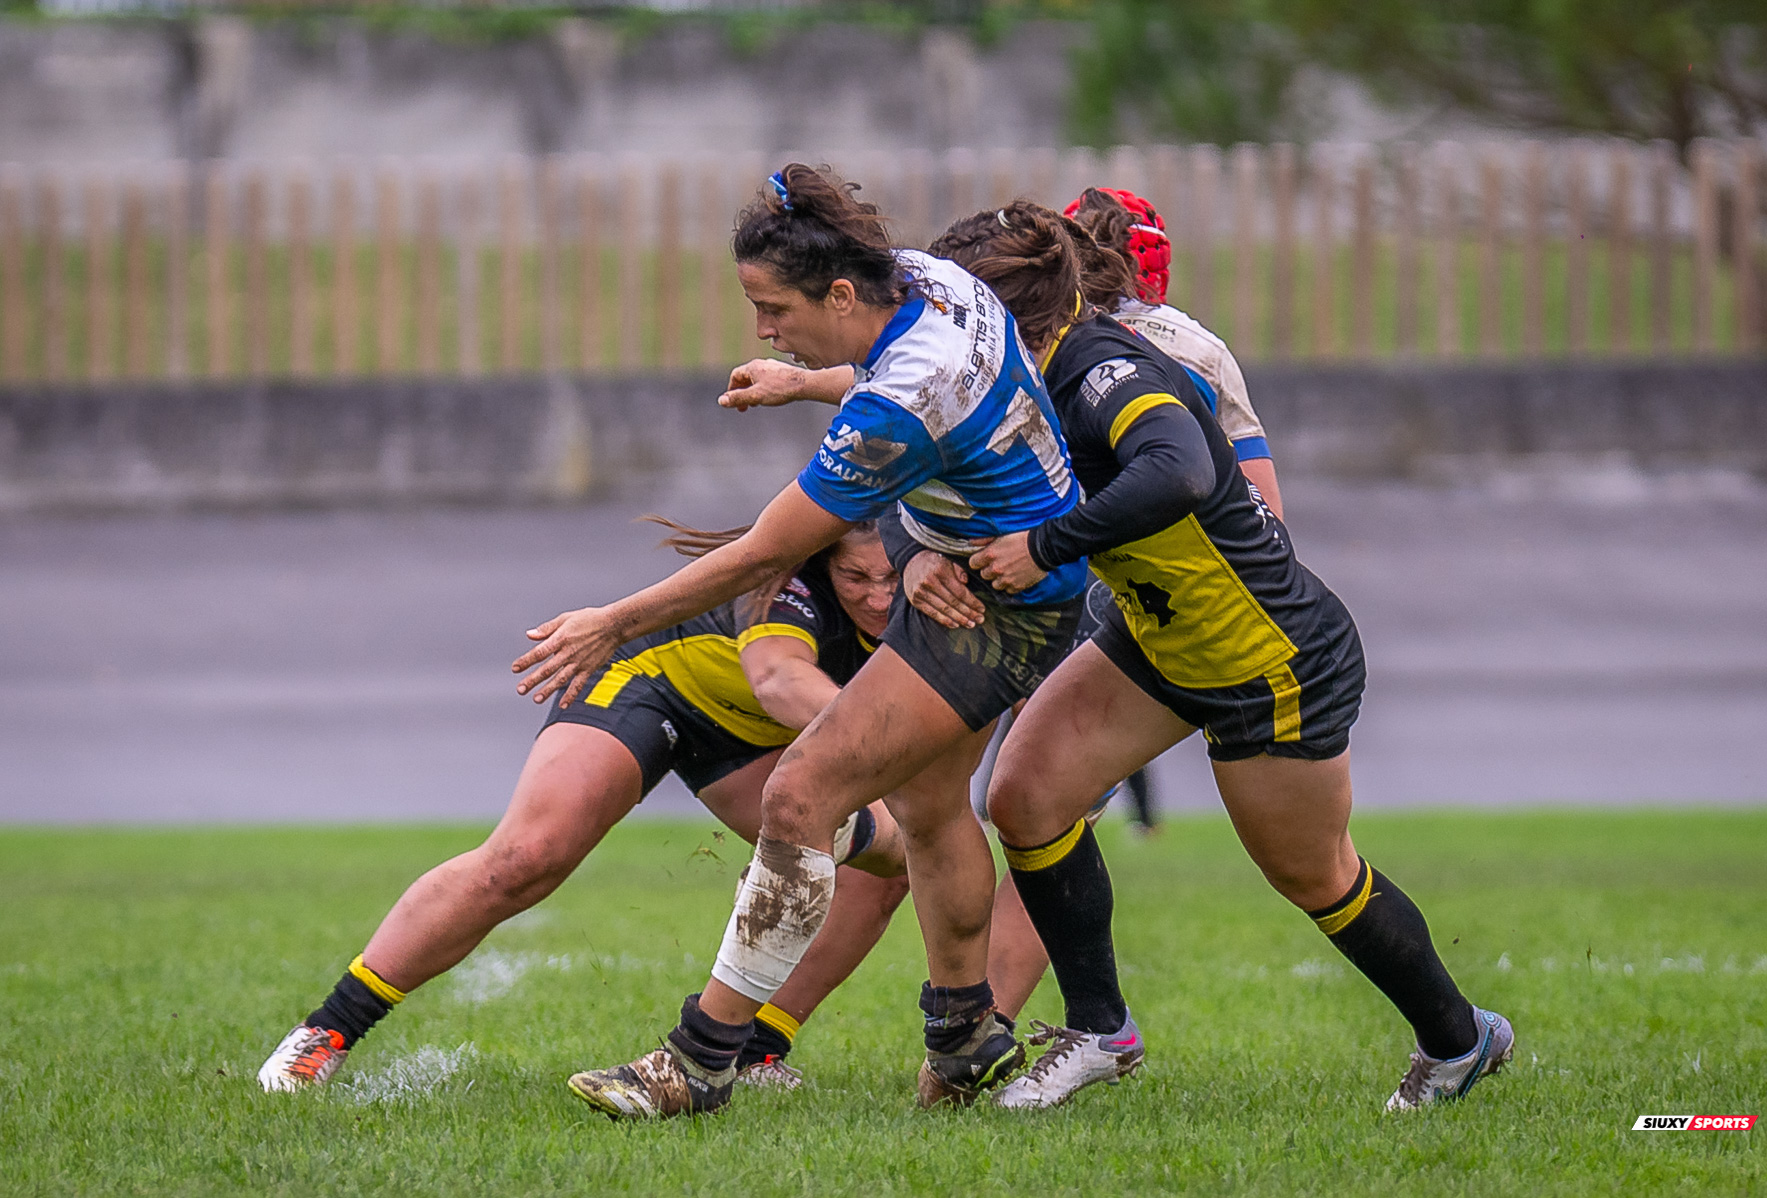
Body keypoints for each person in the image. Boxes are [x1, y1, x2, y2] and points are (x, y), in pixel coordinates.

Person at [518, 164, 1089, 1119]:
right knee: (933, 807)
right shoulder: (930, 278)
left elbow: (764, 554)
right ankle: (965, 1032)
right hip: (993, 573)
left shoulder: (895, 408)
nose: (762, 328)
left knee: (800, 794)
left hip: (995, 603)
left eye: (773, 308)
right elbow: (897, 371)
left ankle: (700, 1061)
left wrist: (610, 621)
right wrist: (803, 383)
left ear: (840, 293)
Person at [926, 201, 1513, 1112]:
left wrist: (1045, 547)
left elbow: (1180, 469)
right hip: (1159, 638)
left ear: (1010, 312)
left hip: (1265, 658)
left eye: (956, 307)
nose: (942, 330)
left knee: (1316, 875)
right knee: (1026, 798)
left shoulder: (1101, 369)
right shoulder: (1024, 369)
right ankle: (1100, 1031)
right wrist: (804, 380)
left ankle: (1460, 1040)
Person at [255, 520, 912, 1093]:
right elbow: (780, 680)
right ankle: (327, 1032)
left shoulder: (936, 590)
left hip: (755, 737)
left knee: (904, 854)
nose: (878, 597)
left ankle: (755, 1051)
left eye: (891, 578)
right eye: (856, 577)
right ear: (826, 561)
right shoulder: (789, 579)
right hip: (649, 684)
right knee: (526, 857)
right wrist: (894, 736)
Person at [1064, 187, 1284, 521]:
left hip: (1069, 542)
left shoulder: (1040, 347)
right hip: (1196, 543)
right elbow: (1266, 508)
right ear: (1158, 263)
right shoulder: (1204, 350)